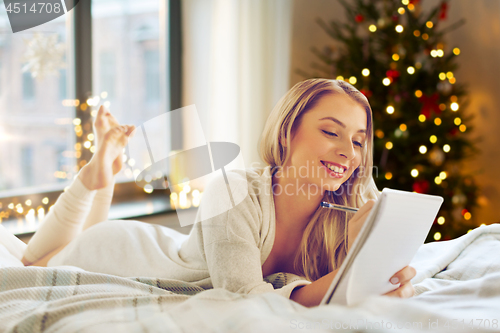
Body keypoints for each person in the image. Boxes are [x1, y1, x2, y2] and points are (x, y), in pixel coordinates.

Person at [18, 78, 416, 307]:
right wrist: (353, 278)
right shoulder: (234, 190)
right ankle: (97, 176)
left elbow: (369, 285)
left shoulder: (349, 205)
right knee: (30, 268)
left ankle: (101, 173)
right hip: (122, 250)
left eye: (360, 141)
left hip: (169, 245)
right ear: (287, 131)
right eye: (331, 131)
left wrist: (388, 275)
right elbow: (245, 297)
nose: (348, 151)